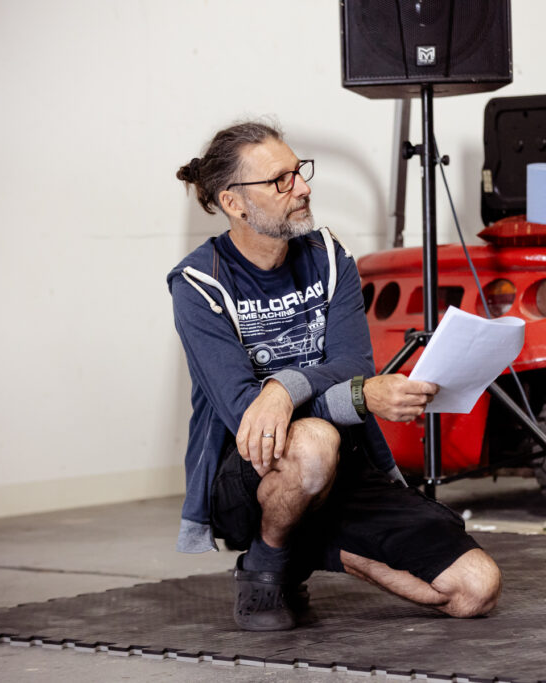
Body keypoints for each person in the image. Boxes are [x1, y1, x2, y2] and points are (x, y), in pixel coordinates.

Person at [167, 120, 501, 631]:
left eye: (299, 171)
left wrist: (285, 387)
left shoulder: (328, 256)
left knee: (476, 589)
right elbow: (247, 415)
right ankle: (267, 556)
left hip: (342, 467)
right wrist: (350, 397)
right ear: (234, 204)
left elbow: (353, 368)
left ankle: (301, 551)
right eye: (280, 180)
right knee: (311, 443)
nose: (302, 187)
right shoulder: (199, 283)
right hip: (250, 477)